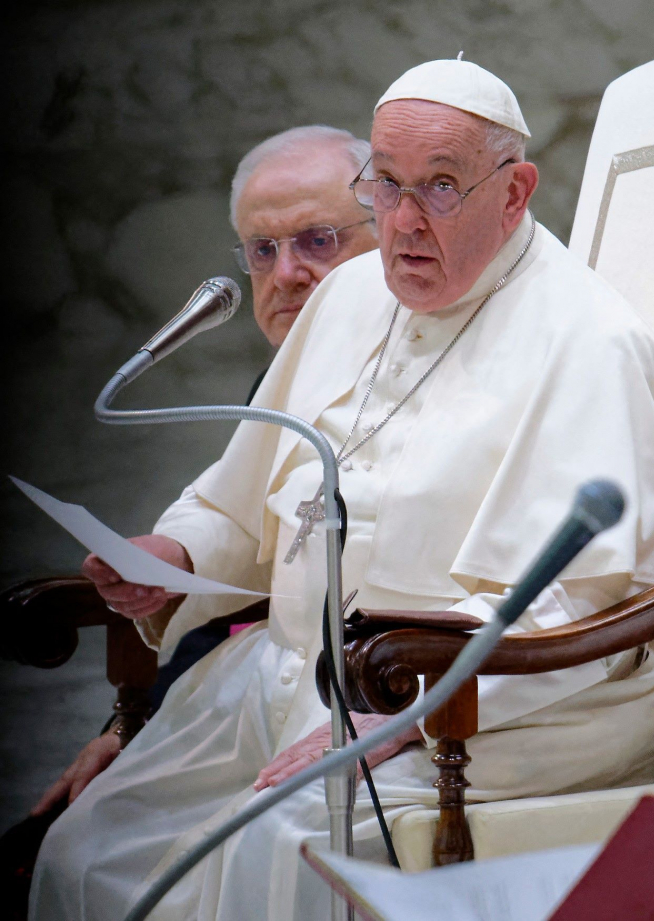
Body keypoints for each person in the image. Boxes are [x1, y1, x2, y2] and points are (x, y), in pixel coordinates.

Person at [30, 59, 654, 921]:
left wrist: (410, 709)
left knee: (285, 851)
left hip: (486, 717)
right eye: (386, 185)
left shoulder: (591, 342)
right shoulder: (351, 294)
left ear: (514, 194)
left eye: (439, 187)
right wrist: (173, 556)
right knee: (88, 842)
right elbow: (239, 497)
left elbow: (586, 610)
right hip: (290, 680)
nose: (402, 222)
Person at [26, 124, 379, 824]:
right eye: (262, 249)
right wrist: (134, 722)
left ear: (388, 232)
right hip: (275, 697)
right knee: (78, 831)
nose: (285, 275)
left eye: (317, 240)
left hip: (384, 706)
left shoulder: (449, 370)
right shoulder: (279, 383)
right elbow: (247, 556)